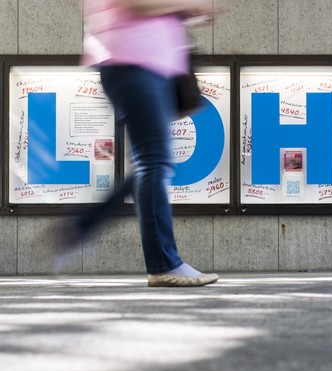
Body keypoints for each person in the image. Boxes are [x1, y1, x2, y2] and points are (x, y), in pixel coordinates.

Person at [60, 0, 221, 286]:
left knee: (153, 161)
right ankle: (163, 264)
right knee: (154, 161)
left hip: (150, 66)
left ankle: (80, 226)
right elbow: (137, 5)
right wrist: (188, 6)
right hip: (132, 64)